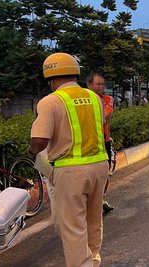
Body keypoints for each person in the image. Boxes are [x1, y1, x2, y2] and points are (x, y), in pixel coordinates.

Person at [28, 53, 109, 267]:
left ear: (51, 78)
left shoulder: (51, 101)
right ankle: (94, 261)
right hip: (100, 166)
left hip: (71, 171)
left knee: (73, 228)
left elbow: (39, 142)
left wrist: (30, 153)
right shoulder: (94, 98)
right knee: (94, 221)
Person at [86, 72, 115, 214]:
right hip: (84, 143)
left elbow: (106, 115)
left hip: (103, 141)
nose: (101, 86)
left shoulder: (108, 99)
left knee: (105, 172)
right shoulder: (82, 99)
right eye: (98, 84)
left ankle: (101, 198)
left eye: (102, 84)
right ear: (88, 85)